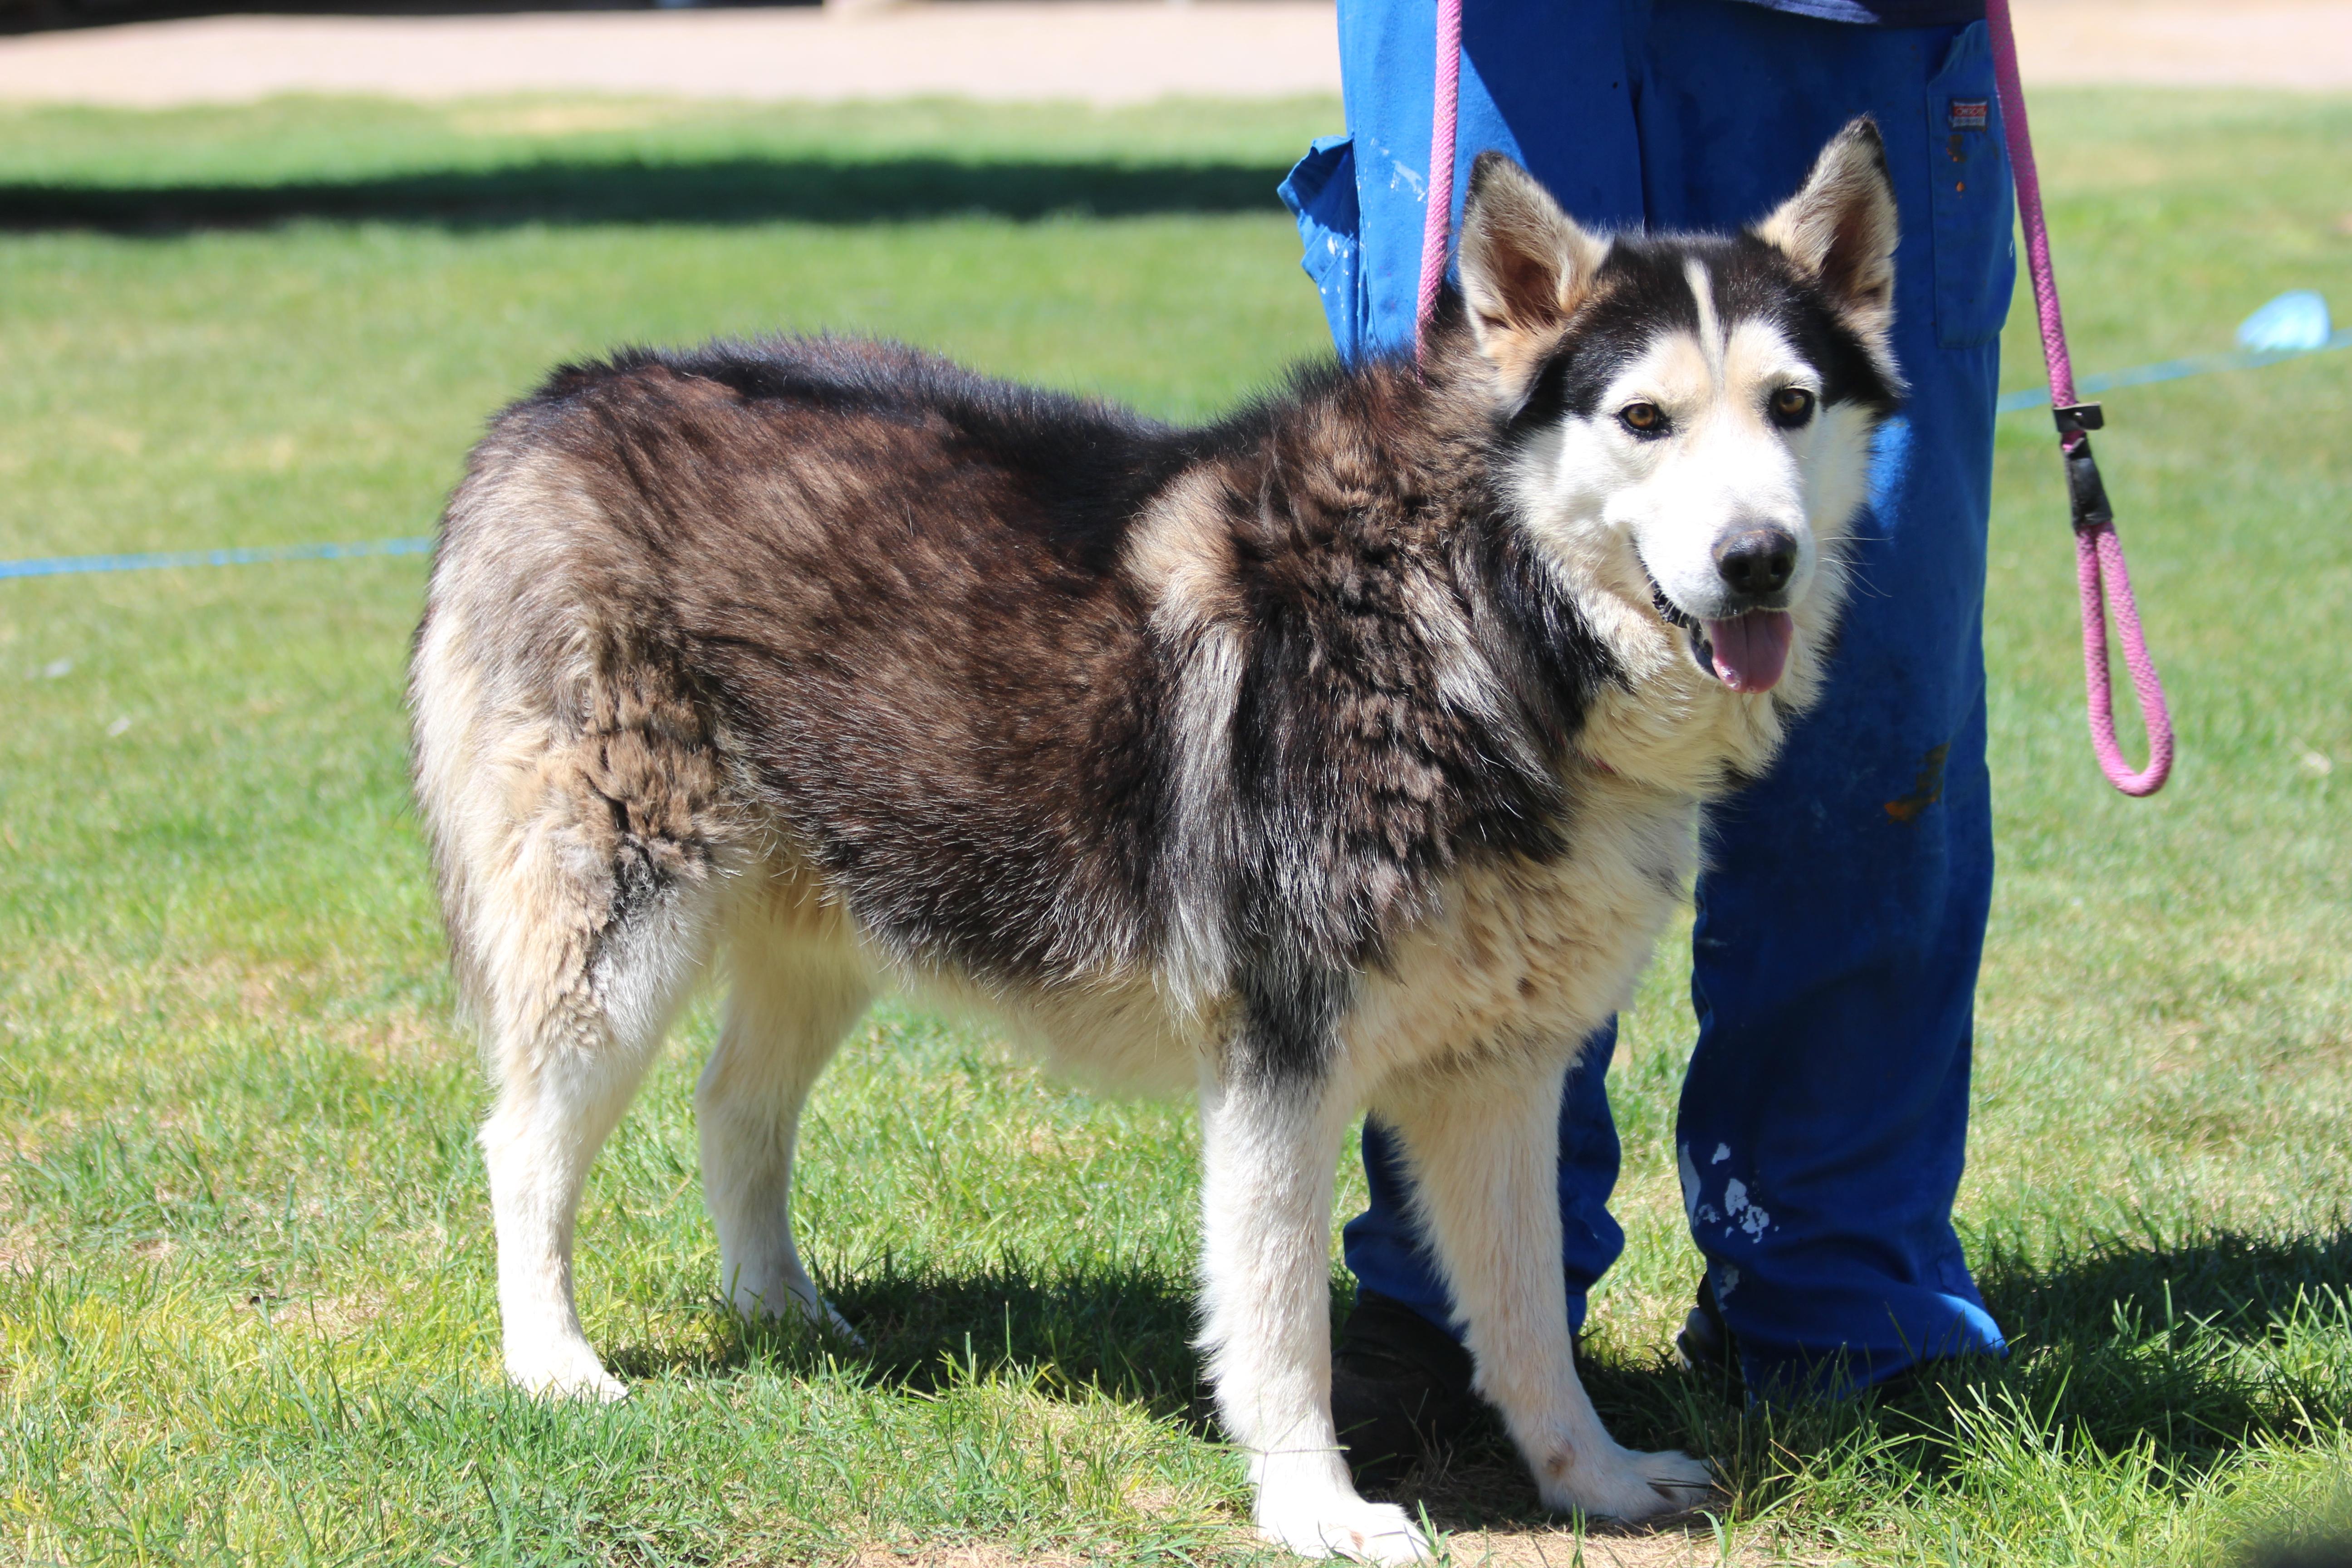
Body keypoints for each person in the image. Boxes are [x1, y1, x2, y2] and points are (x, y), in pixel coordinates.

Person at [1278, 0, 2017, 1472]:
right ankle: (1462, 1301)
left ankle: (1839, 1286)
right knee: (1458, 686)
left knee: (1873, 683)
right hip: (1514, 31)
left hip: (1851, 21)